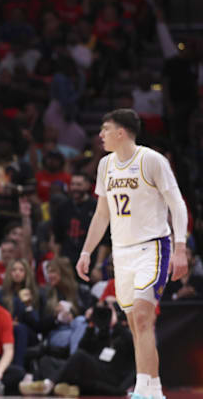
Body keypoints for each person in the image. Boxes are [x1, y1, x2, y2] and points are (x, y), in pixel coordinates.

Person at [76, 109, 189, 399]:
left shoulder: (151, 160)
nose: (100, 135)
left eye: (105, 130)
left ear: (121, 132)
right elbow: (102, 214)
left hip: (152, 246)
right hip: (121, 252)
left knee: (142, 317)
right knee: (135, 325)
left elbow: (177, 204)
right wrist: (87, 251)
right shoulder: (105, 166)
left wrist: (180, 247)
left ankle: (145, 390)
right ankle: (151, 389)